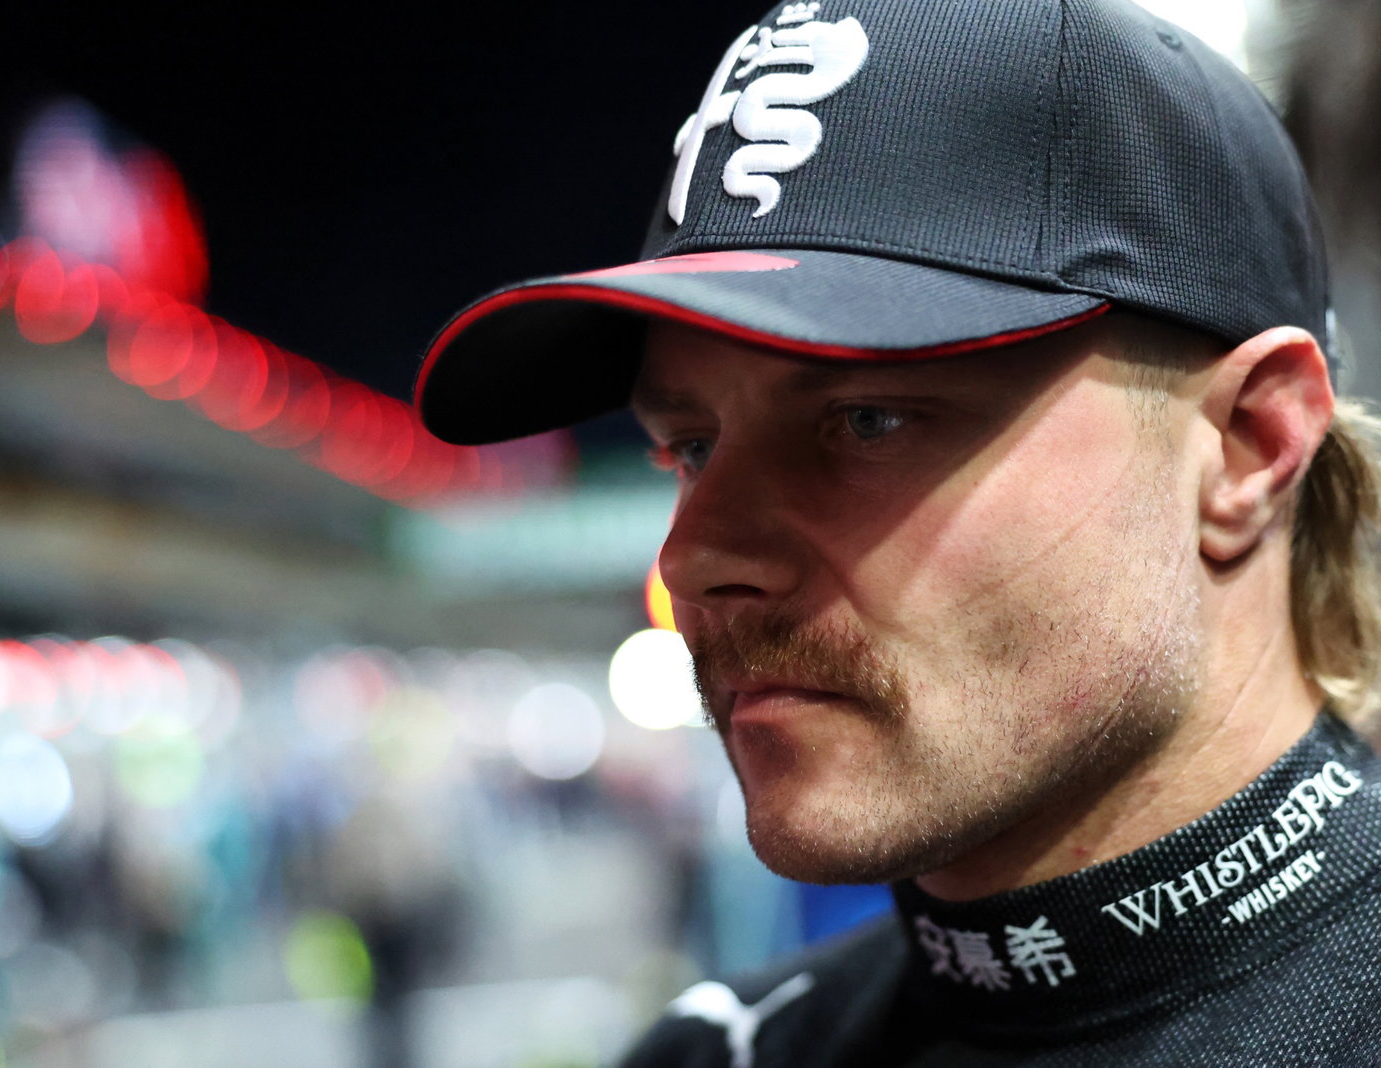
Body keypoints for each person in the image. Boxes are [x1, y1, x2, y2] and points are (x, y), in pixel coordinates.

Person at [415, 0, 1381, 1063]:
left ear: (1246, 446)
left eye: (868, 419)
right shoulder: (716, 1053)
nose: (692, 557)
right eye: (690, 449)